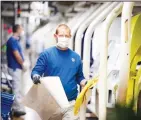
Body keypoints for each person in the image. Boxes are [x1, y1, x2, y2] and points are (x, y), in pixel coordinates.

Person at [31, 24, 87, 120]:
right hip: (51, 103)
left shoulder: (76, 57)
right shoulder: (47, 54)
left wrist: (85, 83)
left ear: (70, 37)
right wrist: (35, 76)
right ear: (55, 36)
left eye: (66, 36)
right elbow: (36, 71)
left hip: (70, 103)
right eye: (61, 35)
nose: (64, 38)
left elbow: (79, 77)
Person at [6, 24, 27, 117]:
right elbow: (16, 54)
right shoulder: (12, 41)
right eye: (21, 28)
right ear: (17, 29)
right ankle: (16, 109)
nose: (22, 30)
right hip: (14, 68)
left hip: (16, 68)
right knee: (16, 88)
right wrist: (23, 64)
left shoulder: (15, 40)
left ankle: (18, 107)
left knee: (18, 87)